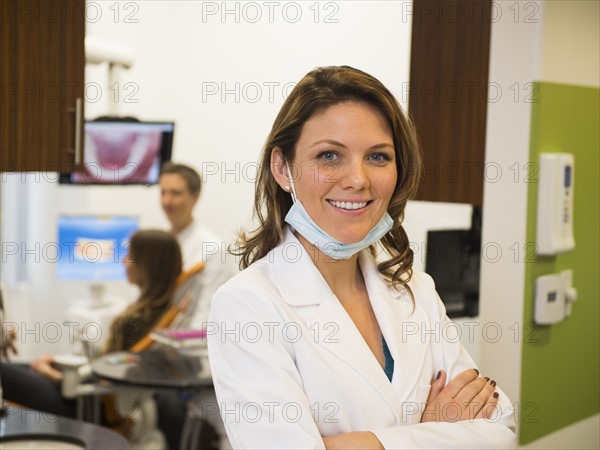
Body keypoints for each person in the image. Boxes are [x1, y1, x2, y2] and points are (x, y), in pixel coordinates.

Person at [207, 66, 517, 449]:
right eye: (329, 155)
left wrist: (350, 443)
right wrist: (435, 430)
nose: (358, 179)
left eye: (378, 157)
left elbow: (500, 428)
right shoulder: (247, 306)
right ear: (282, 169)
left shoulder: (416, 291)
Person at [0, 229, 182, 419]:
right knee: (17, 368)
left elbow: (105, 381)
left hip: (90, 404)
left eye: (130, 256)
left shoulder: (135, 321)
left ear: (148, 266)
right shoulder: (157, 312)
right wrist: (55, 364)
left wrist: (46, 370)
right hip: (86, 392)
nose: (123, 261)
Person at [159, 162, 237, 328]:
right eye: (163, 192)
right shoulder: (161, 244)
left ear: (195, 197)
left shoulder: (214, 249)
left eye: (176, 193)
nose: (167, 201)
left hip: (186, 347)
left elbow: (208, 319)